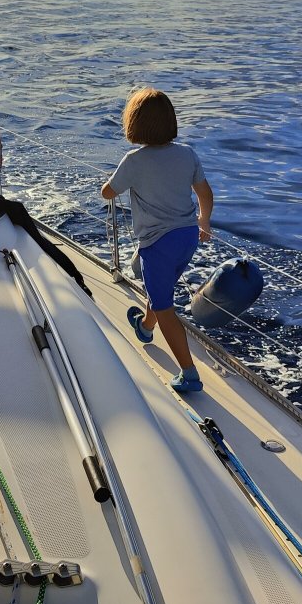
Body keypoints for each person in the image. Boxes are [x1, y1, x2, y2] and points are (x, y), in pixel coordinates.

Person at [102, 88, 214, 392]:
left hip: (158, 243)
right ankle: (145, 327)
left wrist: (110, 186)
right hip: (187, 236)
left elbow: (108, 192)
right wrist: (204, 221)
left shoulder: (134, 160)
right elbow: (205, 193)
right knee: (159, 288)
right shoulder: (187, 153)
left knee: (165, 306)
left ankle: (189, 373)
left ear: (134, 123)